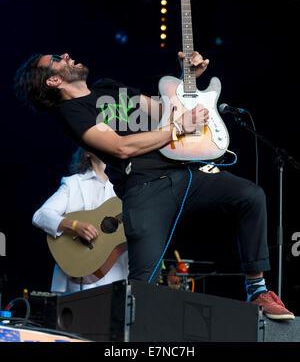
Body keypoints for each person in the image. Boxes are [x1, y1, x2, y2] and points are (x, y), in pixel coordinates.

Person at [14, 51, 295, 320]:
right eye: (55, 59)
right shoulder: (72, 112)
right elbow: (120, 147)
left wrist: (188, 81)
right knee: (144, 288)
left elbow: (165, 109)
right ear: (52, 80)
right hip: (144, 187)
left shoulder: (108, 88)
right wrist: (176, 129)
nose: (65, 55)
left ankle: (257, 290)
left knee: (250, 196)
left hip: (183, 173)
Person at [32, 147, 128, 294]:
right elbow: (41, 215)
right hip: (78, 270)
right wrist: (74, 225)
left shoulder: (124, 188)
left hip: (114, 274)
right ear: (87, 152)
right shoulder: (73, 184)